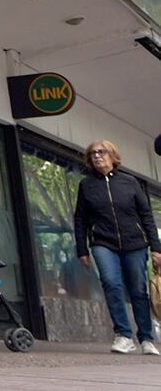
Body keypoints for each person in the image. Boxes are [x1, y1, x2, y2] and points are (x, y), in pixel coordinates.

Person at [73, 139, 161, 355]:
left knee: (138, 290)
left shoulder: (129, 182)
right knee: (112, 284)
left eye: (101, 152)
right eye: (92, 153)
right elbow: (80, 219)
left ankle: (147, 338)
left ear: (113, 155)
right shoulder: (86, 185)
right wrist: (81, 249)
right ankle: (123, 335)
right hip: (103, 242)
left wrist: (156, 247)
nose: (96, 156)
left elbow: (147, 216)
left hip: (135, 243)